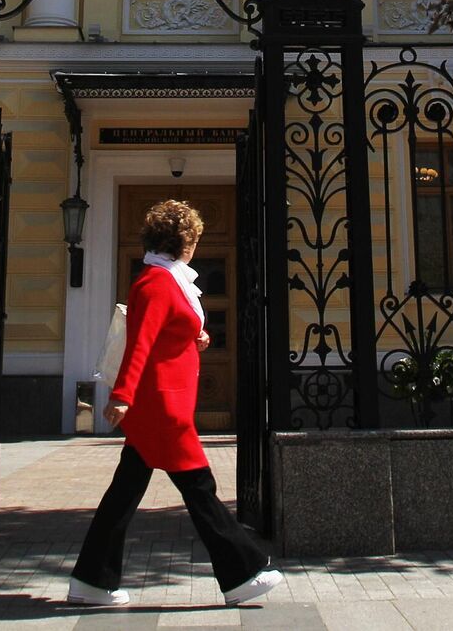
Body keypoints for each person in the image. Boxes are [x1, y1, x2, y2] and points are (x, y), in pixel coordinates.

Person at [67, 200, 283, 608]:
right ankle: (244, 573)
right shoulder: (156, 283)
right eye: (195, 239)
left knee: (124, 495)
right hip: (162, 409)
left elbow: (169, 331)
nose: (197, 246)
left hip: (164, 404)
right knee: (200, 489)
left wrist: (198, 339)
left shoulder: (169, 281)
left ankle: (91, 580)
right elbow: (140, 343)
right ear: (183, 240)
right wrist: (122, 396)